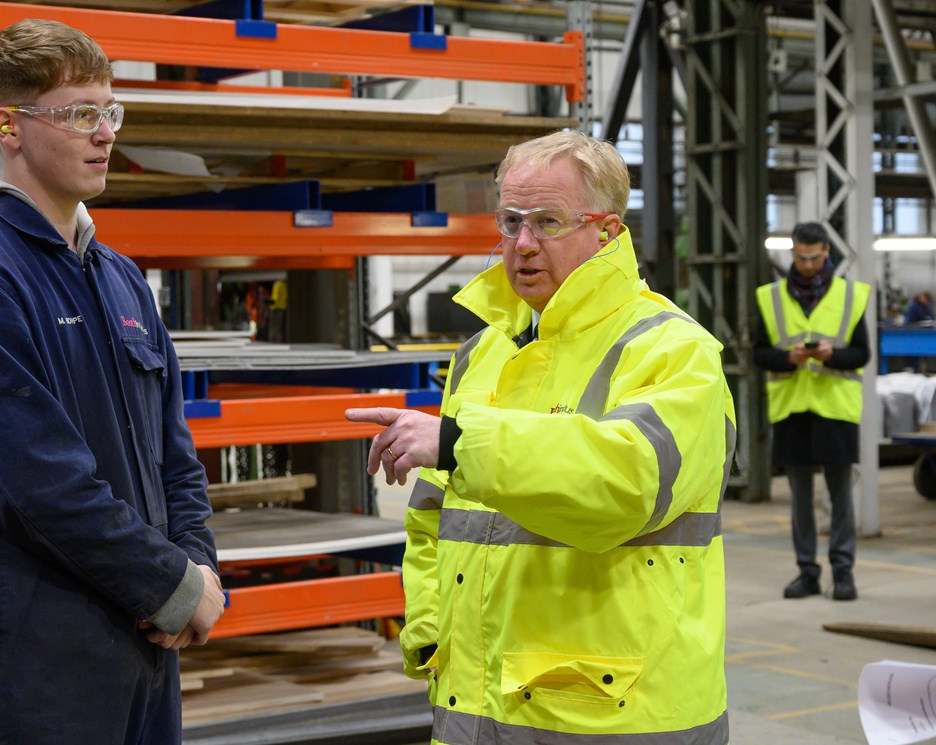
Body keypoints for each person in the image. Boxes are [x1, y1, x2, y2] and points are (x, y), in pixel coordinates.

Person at [346, 129, 735, 743]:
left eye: (548, 222)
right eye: (509, 220)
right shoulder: (483, 351)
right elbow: (434, 518)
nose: (521, 244)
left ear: (606, 232)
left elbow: (626, 485)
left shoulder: (672, 349)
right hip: (475, 707)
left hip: (615, 713)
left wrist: (458, 442)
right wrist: (429, 629)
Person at [0, 19, 225, 745]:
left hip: (146, 653)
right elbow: (39, 488)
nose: (104, 132)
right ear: (9, 126)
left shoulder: (118, 278)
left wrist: (196, 568)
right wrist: (169, 587)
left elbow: (175, 454)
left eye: (110, 112)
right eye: (80, 113)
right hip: (41, 672)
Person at [753, 221, 869, 602]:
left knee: (841, 497)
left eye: (814, 257)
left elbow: (862, 355)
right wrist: (788, 358)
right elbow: (759, 354)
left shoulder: (851, 296)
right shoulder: (770, 298)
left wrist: (832, 356)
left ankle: (844, 572)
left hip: (835, 410)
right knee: (800, 498)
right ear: (793, 254)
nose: (806, 264)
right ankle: (807, 572)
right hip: (792, 412)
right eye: (800, 257)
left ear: (825, 253)